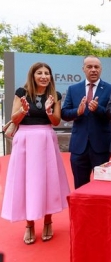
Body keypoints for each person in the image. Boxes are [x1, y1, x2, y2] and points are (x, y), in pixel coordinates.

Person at [1, 62, 70, 244]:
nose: (43, 76)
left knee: (47, 180)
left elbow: (56, 121)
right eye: (39, 73)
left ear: (50, 76)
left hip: (46, 139)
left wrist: (48, 110)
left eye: (47, 73)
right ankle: (29, 225)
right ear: (33, 75)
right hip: (24, 140)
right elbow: (14, 118)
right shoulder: (21, 92)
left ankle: (48, 221)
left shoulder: (55, 95)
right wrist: (23, 110)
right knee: (26, 181)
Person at [61, 56, 111, 189]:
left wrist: (98, 109)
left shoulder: (110, 89)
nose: (93, 70)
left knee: (102, 187)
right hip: (79, 147)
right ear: (83, 69)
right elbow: (64, 113)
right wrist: (77, 112)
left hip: (101, 146)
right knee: (80, 186)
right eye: (89, 67)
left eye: (96, 67)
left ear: (101, 69)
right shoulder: (73, 89)